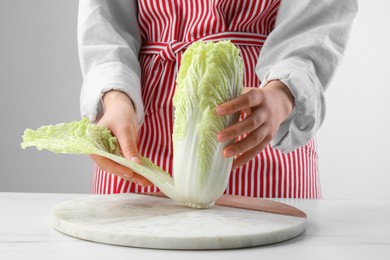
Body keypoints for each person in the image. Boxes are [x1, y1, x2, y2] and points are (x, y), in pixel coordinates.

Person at [78, 0, 358, 198]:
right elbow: (105, 21)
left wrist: (283, 93)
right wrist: (114, 97)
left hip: (259, 117)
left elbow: (318, 19)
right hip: (141, 131)